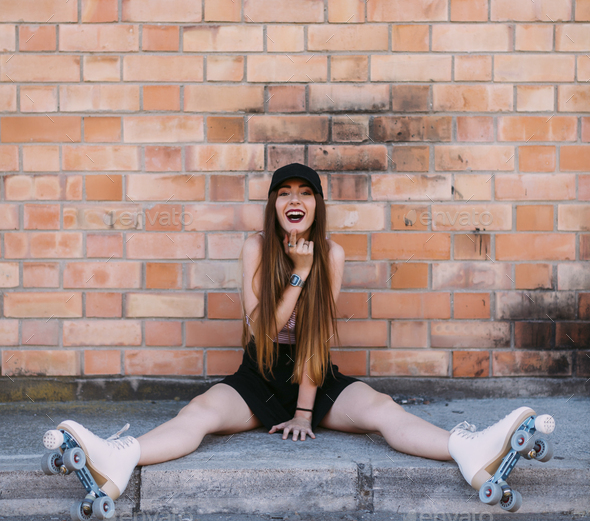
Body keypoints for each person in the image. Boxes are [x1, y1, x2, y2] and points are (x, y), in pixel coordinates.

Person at [54, 163, 537, 503]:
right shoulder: (257, 248)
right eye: (285, 192)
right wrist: (298, 274)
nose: (294, 199)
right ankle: (120, 458)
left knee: (382, 411)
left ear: (316, 204)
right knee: (197, 414)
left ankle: (470, 451)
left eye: (304, 192)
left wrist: (305, 412)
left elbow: (316, 337)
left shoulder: (333, 254)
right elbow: (261, 330)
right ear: (274, 204)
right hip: (259, 373)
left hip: (314, 374)